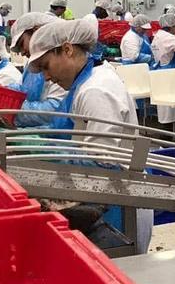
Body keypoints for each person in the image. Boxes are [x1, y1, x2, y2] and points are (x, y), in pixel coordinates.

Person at [26, 15, 152, 253]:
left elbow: (102, 160)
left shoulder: (96, 89)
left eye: (46, 67)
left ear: (67, 50)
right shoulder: (85, 83)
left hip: (119, 202)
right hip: (105, 194)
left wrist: (51, 154)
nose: (47, 77)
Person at [10, 12, 71, 130]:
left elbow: (56, 110)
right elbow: (26, 88)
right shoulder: (33, 60)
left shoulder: (60, 63)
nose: (22, 52)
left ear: (37, 31)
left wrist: (14, 109)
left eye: (22, 44)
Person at [151, 11, 175, 126]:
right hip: (169, 73)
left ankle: (166, 134)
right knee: (169, 107)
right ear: (172, 26)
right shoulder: (169, 38)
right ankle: (167, 137)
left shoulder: (158, 35)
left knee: (163, 106)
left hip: (159, 71)